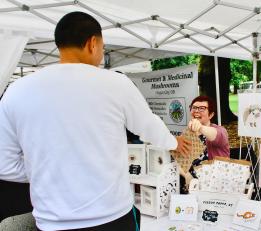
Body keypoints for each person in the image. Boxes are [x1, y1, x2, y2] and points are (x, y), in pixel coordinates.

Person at [0, 12, 190, 231]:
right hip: (112, 216)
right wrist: (174, 143)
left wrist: (44, 168)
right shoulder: (116, 83)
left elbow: (4, 163)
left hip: (52, 221)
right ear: (93, 43)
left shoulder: (17, 91)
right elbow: (148, 126)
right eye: (102, 47)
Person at [184, 96, 230, 186]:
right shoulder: (189, 134)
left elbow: (215, 135)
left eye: (202, 108)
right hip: (192, 187)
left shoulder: (220, 131)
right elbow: (179, 159)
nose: (197, 111)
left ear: (211, 115)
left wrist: (200, 127)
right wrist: (187, 175)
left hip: (215, 186)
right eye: (194, 107)